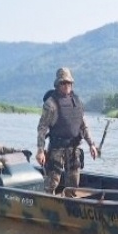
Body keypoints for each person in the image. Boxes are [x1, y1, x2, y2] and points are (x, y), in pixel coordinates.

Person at [36, 67, 98, 195]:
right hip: (57, 149)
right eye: (63, 83)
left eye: (68, 83)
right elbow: (42, 128)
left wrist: (91, 144)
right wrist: (40, 150)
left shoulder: (77, 102)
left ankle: (70, 207)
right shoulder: (51, 104)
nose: (66, 86)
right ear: (58, 84)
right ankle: (48, 206)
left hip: (74, 149)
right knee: (52, 183)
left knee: (73, 184)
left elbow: (83, 125)